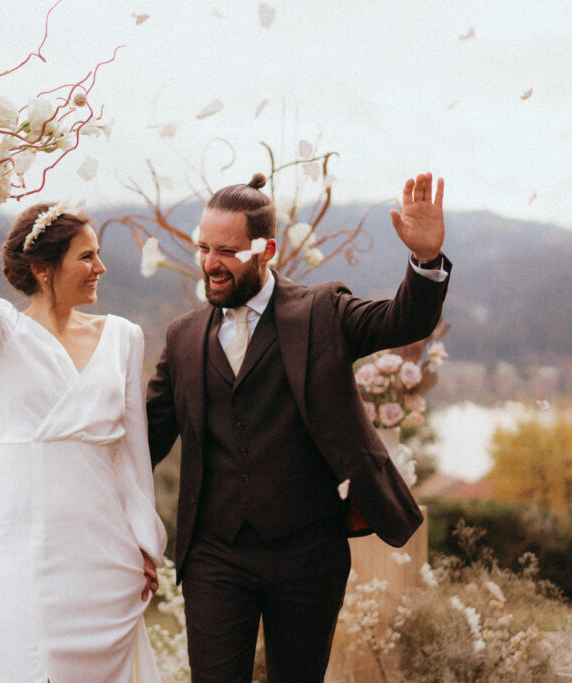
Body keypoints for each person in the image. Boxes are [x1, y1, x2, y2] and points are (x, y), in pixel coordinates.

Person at [145, 172, 451, 682]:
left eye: (227, 250)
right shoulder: (182, 337)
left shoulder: (322, 313)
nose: (210, 263)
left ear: (267, 249)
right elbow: (144, 440)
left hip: (308, 554)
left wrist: (424, 263)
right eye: (203, 248)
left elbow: (403, 321)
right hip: (214, 555)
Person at [0, 197, 167, 682]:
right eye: (87, 257)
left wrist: (144, 544)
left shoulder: (123, 337)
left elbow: (133, 456)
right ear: (43, 269)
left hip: (106, 559)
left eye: (98, 254)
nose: (101, 267)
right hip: (23, 557)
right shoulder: (0, 333)